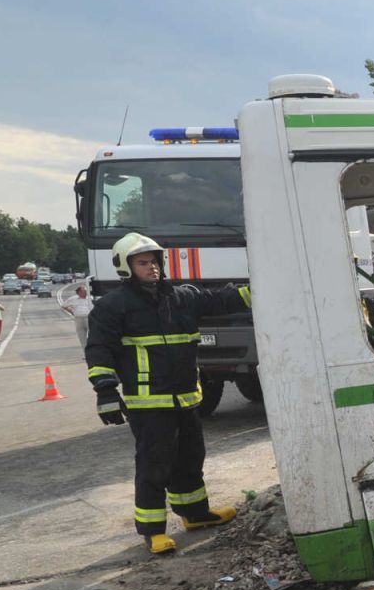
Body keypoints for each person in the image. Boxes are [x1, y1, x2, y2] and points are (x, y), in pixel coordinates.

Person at [86, 233, 252, 554]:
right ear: (126, 267)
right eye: (142, 263)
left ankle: (196, 514)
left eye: (154, 262)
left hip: (187, 398)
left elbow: (220, 300)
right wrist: (105, 393)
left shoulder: (181, 298)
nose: (152, 268)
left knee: (190, 458)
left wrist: (260, 284)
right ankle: (153, 531)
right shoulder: (113, 307)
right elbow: (99, 350)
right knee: (154, 464)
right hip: (148, 404)